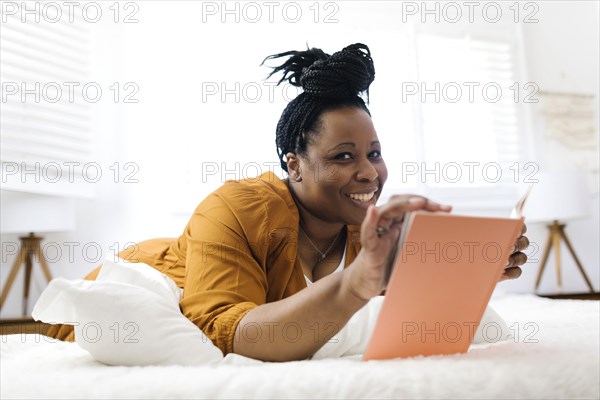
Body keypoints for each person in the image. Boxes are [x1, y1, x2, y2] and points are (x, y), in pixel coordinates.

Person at [45, 43, 529, 362]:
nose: (368, 172)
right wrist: (355, 283)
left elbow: (394, 310)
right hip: (131, 291)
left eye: (374, 154)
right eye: (343, 156)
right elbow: (227, 337)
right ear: (294, 165)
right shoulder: (235, 208)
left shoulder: (367, 229)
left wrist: (466, 270)